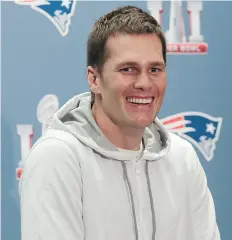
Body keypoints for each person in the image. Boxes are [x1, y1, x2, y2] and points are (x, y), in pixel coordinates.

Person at [19, 5, 221, 240]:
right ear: (94, 79)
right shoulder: (58, 157)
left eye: (155, 69)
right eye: (128, 69)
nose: (144, 83)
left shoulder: (182, 157)